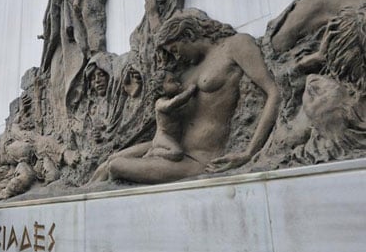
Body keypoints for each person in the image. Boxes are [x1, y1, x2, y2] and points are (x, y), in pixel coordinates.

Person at [90, 9, 281, 184]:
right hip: (172, 147)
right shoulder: (188, 69)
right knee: (108, 162)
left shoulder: (235, 46)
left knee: (115, 167)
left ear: (188, 35)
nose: (177, 57)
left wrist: (248, 153)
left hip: (199, 159)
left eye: (175, 49)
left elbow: (274, 92)